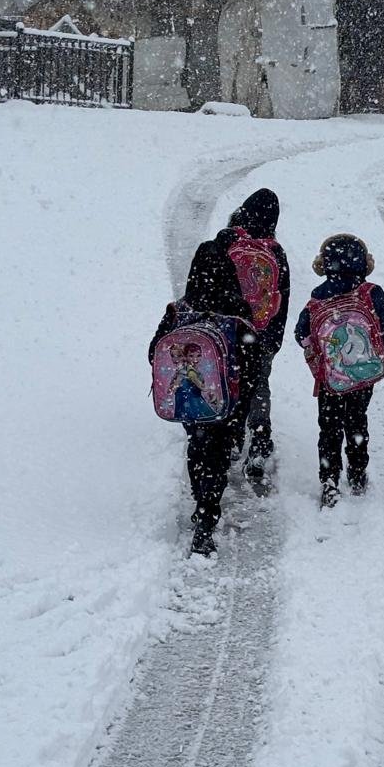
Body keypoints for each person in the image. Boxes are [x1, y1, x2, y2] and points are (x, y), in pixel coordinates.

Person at [150, 231, 254, 557]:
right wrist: (242, 404)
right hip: (224, 402)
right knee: (218, 456)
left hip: (189, 402)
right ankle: (208, 515)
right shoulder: (237, 313)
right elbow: (251, 363)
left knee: (198, 447)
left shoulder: (178, 310)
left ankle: (200, 499)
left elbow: (155, 351)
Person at [294, 234, 384, 508]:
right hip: (363, 376)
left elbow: (300, 334)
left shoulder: (316, 301)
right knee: (357, 421)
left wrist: (324, 360)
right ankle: (357, 474)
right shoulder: (371, 293)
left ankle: (330, 481)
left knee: (329, 428)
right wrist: (374, 356)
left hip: (331, 380)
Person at [223, 188, 291, 491]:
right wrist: (273, 339)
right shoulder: (275, 252)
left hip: (228, 330)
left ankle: (230, 438)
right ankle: (260, 440)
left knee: (228, 380)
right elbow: (281, 299)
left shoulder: (228, 241)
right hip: (261, 333)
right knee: (258, 383)